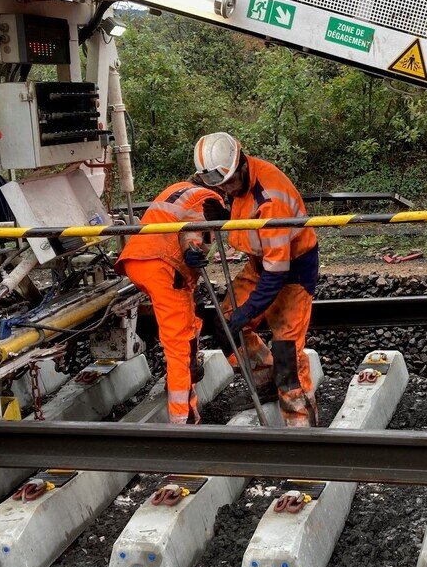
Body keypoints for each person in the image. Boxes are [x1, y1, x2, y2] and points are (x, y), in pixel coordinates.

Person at [192, 132, 320, 427]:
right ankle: (265, 379)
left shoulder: (270, 199)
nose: (226, 189)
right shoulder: (239, 181)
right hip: (263, 262)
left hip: (293, 270)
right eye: (219, 186)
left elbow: (277, 273)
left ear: (241, 165)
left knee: (288, 355)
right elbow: (251, 225)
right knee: (226, 324)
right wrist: (224, 214)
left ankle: (303, 429)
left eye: (228, 184)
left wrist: (248, 312)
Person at [115, 165, 232, 424]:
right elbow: (194, 229)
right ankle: (183, 419)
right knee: (179, 343)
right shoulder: (207, 197)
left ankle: (189, 366)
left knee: (189, 319)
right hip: (164, 266)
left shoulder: (178, 189)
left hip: (140, 259)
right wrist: (194, 248)